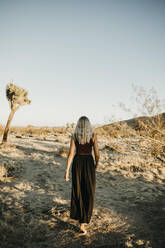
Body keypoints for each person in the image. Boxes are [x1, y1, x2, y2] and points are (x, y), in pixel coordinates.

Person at [65, 116, 100, 234]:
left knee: (78, 190)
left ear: (79, 125)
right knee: (89, 191)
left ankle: (80, 219)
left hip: (78, 163)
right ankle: (83, 222)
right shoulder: (93, 136)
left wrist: (67, 170)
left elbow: (70, 154)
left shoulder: (74, 136)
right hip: (89, 163)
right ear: (89, 125)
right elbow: (97, 154)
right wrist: (96, 164)